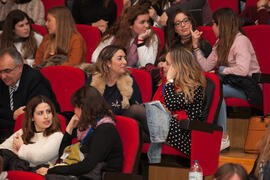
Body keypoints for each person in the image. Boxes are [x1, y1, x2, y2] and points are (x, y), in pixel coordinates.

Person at [193, 8, 261, 151]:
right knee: (214, 91)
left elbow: (243, 71)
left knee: (217, 91)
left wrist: (221, 70)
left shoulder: (241, 41)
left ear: (221, 25)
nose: (212, 27)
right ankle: (211, 134)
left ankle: (223, 137)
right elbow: (205, 67)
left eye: (214, 24)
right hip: (232, 83)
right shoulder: (220, 43)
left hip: (249, 87)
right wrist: (196, 47)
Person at [124, 46, 206, 163]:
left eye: (167, 63)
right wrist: (162, 110)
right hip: (165, 125)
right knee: (133, 130)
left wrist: (170, 80)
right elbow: (159, 105)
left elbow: (171, 104)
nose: (163, 66)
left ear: (178, 66)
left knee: (135, 110)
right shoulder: (166, 83)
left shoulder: (194, 87)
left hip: (182, 135)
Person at [36, 86, 123, 179]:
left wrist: (51, 170)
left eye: (75, 107)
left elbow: (87, 166)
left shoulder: (105, 130)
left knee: (47, 176)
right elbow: (64, 156)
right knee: (38, 171)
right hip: (86, 174)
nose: (74, 111)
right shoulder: (88, 127)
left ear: (83, 108)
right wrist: (69, 128)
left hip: (101, 176)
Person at [0, 47, 60, 143]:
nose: (3, 76)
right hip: (7, 134)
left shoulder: (35, 80)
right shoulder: (3, 80)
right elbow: (17, 117)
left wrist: (6, 117)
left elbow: (31, 119)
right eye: (0, 71)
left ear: (20, 67)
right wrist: (12, 115)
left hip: (35, 136)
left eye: (7, 71)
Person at [0, 96, 63, 169]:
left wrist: (21, 147)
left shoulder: (57, 136)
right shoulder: (24, 131)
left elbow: (38, 157)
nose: (46, 116)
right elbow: (2, 148)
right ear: (32, 117)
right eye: (40, 113)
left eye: (48, 111)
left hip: (37, 173)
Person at [80, 45, 142, 115]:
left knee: (137, 109)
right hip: (100, 121)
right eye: (120, 58)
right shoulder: (93, 80)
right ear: (108, 63)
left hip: (123, 120)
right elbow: (85, 105)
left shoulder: (129, 80)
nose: (125, 62)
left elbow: (137, 105)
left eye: (125, 58)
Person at [91, 5, 159, 68]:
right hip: (112, 72)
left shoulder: (152, 37)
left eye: (148, 21)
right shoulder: (116, 34)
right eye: (142, 22)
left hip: (134, 77)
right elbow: (95, 57)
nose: (147, 25)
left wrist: (141, 40)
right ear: (130, 25)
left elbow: (146, 66)